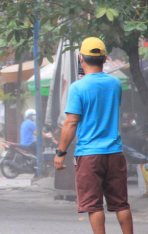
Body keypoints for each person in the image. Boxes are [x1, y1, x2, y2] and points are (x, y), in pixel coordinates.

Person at [54, 37, 133, 234]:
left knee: (94, 205)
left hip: (89, 155)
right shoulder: (116, 84)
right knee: (121, 204)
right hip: (115, 153)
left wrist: (60, 152)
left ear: (81, 58)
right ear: (105, 59)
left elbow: (71, 122)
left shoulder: (77, 88)